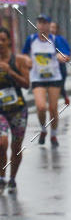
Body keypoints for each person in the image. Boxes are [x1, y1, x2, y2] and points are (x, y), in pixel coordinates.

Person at [23, 15, 71, 147]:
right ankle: (44, 129)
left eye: (45, 23)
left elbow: (67, 55)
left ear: (49, 25)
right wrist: (26, 60)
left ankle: (54, 135)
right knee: (41, 107)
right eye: (40, 22)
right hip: (37, 78)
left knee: (53, 108)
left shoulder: (56, 40)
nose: (42, 25)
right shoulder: (31, 40)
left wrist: (63, 57)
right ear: (37, 25)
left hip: (54, 78)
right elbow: (24, 54)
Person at [0, 27, 30, 191]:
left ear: (9, 41)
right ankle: (1, 177)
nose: (0, 43)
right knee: (2, 143)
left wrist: (10, 71)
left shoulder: (18, 60)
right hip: (1, 110)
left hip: (18, 109)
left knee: (16, 147)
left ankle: (12, 178)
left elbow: (26, 84)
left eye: (3, 40)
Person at [50, 21, 70, 107]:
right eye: (50, 27)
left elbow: (67, 53)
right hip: (49, 68)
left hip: (60, 67)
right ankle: (54, 103)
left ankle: (64, 96)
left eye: (54, 27)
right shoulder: (43, 39)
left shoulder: (60, 39)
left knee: (60, 85)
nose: (52, 30)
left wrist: (63, 56)